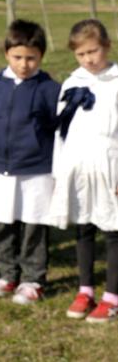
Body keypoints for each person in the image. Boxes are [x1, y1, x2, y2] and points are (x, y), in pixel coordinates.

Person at [0, 20, 59, 305]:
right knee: (1, 223)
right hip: (1, 169)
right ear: (6, 54)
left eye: (31, 58)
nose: (24, 64)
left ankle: (32, 278)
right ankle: (6, 273)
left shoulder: (49, 89)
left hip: (37, 170)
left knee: (32, 225)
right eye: (18, 57)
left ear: (41, 57)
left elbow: (54, 126)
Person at [48, 19, 118, 323]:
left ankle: (112, 295)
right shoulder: (72, 82)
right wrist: (59, 170)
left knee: (113, 230)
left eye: (93, 51)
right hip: (77, 166)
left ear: (107, 46)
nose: (89, 59)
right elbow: (61, 130)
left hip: (109, 166)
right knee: (84, 227)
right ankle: (85, 288)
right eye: (81, 54)